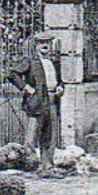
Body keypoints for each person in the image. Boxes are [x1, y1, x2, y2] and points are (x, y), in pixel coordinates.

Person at [18, 36, 63, 173]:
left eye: (47, 43)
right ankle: (28, 166)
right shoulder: (30, 61)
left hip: (52, 100)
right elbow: (13, 74)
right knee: (31, 136)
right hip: (36, 102)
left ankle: (47, 167)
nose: (45, 45)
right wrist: (26, 87)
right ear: (36, 45)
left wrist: (60, 87)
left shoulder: (53, 62)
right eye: (42, 43)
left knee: (50, 135)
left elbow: (59, 80)